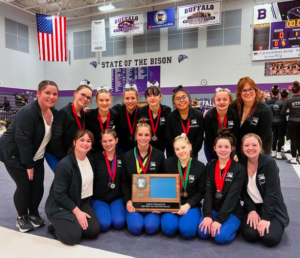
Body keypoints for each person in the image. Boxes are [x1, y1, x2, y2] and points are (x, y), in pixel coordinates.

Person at [0, 80, 59, 232]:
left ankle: (33, 213)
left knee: (38, 185)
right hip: (15, 153)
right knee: (25, 185)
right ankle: (21, 217)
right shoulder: (27, 113)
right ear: (38, 93)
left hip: (36, 155)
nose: (51, 97)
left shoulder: (54, 113)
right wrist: (28, 165)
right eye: (47, 93)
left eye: (55, 94)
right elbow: (23, 140)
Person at [45, 130, 100, 245]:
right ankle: (54, 227)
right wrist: (78, 212)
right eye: (82, 140)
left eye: (88, 141)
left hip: (80, 201)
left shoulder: (90, 160)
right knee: (73, 237)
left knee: (93, 232)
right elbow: (59, 194)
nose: (85, 143)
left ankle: (71, 223)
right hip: (59, 205)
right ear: (74, 142)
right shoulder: (64, 165)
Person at [240, 133, 289, 247]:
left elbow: (271, 193)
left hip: (272, 206)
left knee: (270, 238)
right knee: (250, 235)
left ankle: (276, 222)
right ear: (242, 148)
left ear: (260, 147)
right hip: (253, 206)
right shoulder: (240, 165)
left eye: (254, 145)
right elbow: (242, 192)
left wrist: (266, 218)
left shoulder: (269, 163)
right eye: (246, 145)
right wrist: (251, 210)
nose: (250, 148)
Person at [198, 129, 246, 244]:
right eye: (220, 147)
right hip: (215, 208)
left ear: (231, 148)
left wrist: (219, 220)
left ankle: (234, 225)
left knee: (220, 237)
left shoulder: (239, 169)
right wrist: (208, 216)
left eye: (226, 147)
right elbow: (208, 192)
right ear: (215, 148)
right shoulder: (210, 166)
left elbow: (232, 197)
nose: (223, 150)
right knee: (203, 233)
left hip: (232, 210)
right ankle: (217, 221)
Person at [122, 118, 165, 235]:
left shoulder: (159, 155)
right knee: (136, 228)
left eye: (146, 135)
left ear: (151, 136)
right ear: (135, 136)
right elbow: (124, 182)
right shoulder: (127, 156)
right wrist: (128, 200)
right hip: (134, 200)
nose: (143, 138)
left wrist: (158, 203)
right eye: (140, 134)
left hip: (152, 200)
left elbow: (162, 181)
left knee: (151, 228)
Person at [162, 134, 205, 239]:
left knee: (187, 232)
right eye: (177, 149)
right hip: (171, 204)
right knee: (169, 229)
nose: (180, 151)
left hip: (190, 205)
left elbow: (201, 192)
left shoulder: (200, 167)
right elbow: (163, 187)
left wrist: (188, 205)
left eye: (183, 147)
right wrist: (165, 204)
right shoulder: (167, 164)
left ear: (190, 146)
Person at [46, 84, 93, 170]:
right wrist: (64, 159)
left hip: (70, 153)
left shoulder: (83, 114)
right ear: (75, 94)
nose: (85, 99)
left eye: (88, 97)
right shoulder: (64, 113)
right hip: (55, 154)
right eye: (82, 95)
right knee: (63, 177)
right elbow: (55, 140)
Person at [90, 129, 126, 232]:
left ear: (116, 140)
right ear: (101, 142)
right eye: (104, 141)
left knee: (119, 223)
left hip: (116, 198)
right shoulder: (94, 159)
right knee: (104, 225)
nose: (108, 144)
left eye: (110, 140)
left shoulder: (123, 158)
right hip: (99, 198)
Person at [231, 77, 273, 157]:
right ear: (239, 93)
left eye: (250, 89)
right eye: (244, 90)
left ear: (255, 90)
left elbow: (262, 136)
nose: (248, 92)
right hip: (241, 144)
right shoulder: (235, 106)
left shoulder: (265, 110)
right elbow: (222, 110)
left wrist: (250, 150)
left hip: (259, 144)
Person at [165, 85, 204, 158]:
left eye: (184, 97)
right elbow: (169, 138)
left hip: (192, 153)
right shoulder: (170, 117)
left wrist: (192, 153)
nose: (181, 100)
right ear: (174, 102)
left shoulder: (198, 115)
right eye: (178, 99)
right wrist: (177, 152)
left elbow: (199, 138)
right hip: (174, 154)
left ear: (189, 99)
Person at [204, 88, 239, 162]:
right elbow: (209, 137)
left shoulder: (235, 114)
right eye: (218, 100)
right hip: (212, 147)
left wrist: (230, 151)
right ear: (214, 102)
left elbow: (235, 134)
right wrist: (214, 154)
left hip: (230, 147)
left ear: (230, 101)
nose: (221, 102)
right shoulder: (209, 115)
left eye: (225, 99)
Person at [139, 85, 171, 153]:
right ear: (146, 98)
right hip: (145, 145)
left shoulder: (166, 110)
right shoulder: (142, 111)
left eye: (155, 95)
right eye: (149, 96)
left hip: (161, 146)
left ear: (160, 96)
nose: (152, 98)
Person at [85, 87, 117, 152]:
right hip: (94, 152)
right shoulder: (89, 115)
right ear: (96, 102)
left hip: (110, 150)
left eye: (107, 100)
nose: (104, 103)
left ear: (111, 101)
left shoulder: (116, 115)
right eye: (101, 100)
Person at [112, 85, 141, 154]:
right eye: (127, 98)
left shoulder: (141, 111)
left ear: (137, 98)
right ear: (123, 99)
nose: (130, 101)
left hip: (136, 147)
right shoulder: (117, 109)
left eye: (133, 98)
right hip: (120, 147)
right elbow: (105, 112)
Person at [281, 81, 300, 164]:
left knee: (293, 140)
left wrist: (290, 112)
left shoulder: (289, 101)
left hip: (292, 121)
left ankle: (293, 158)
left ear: (292, 91)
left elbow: (282, 113)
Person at [271, 88, 289, 159]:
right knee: (281, 137)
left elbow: (273, 112)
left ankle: (273, 152)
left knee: (275, 137)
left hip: (274, 121)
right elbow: (284, 113)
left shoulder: (276, 102)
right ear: (287, 96)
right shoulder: (285, 103)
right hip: (282, 122)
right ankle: (278, 154)